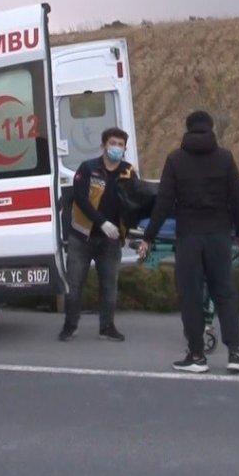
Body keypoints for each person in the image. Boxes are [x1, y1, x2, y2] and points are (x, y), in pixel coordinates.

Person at [138, 111, 239, 374]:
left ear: (187, 129)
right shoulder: (225, 158)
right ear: (211, 128)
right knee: (225, 292)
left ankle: (197, 355)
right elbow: (237, 198)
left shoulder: (176, 159)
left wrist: (149, 236)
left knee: (191, 296)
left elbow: (163, 202)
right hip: (219, 234)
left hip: (189, 236)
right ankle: (234, 354)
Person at [59, 127, 137, 342]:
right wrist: (101, 222)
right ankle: (70, 325)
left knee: (109, 285)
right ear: (103, 146)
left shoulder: (128, 172)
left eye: (121, 145)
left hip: (111, 240)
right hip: (81, 236)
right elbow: (81, 199)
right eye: (113, 143)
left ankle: (107, 327)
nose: (116, 148)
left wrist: (131, 231)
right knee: (74, 285)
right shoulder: (88, 168)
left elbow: (134, 203)